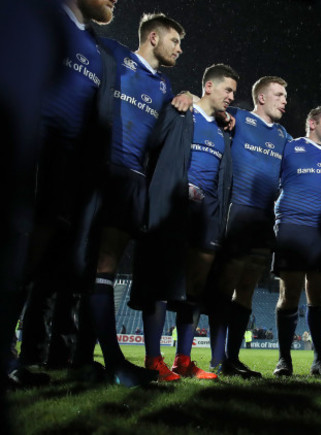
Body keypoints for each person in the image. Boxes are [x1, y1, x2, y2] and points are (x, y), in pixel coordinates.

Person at [12, 0, 118, 386]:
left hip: (69, 170)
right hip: (30, 154)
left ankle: (33, 355)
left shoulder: (94, 44)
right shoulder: (41, 18)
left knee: (46, 264)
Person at [88, 12, 186, 387]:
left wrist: (189, 96)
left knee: (104, 264)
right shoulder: (112, 53)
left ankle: (96, 361)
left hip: (134, 180)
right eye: (175, 41)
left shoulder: (164, 86)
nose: (179, 49)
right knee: (75, 257)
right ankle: (99, 359)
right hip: (99, 168)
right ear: (154, 36)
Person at [129, 63, 239, 382]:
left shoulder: (224, 130)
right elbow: (152, 146)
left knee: (195, 290)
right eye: (227, 89)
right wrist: (183, 95)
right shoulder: (181, 112)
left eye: (234, 91)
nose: (232, 97)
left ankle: (183, 361)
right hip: (175, 211)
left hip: (208, 216)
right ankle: (153, 360)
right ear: (208, 86)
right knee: (163, 285)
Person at [206, 76, 292, 379]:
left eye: (286, 95)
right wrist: (191, 98)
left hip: (264, 219)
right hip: (238, 212)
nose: (285, 100)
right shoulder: (239, 119)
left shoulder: (284, 135)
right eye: (279, 95)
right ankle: (217, 359)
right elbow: (209, 108)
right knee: (225, 286)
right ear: (262, 98)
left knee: (246, 292)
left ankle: (232, 357)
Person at [271, 107, 321, 377]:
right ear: (312, 123)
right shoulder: (290, 147)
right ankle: (284, 360)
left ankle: (320, 362)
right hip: (292, 227)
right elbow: (270, 176)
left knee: (318, 297)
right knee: (289, 294)